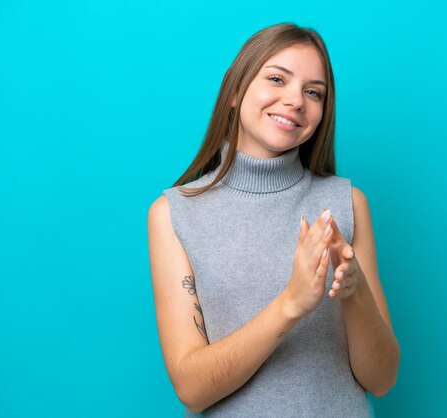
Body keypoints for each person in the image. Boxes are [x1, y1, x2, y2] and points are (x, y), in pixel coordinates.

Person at [147, 22, 400, 417]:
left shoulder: (346, 203)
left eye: (313, 92)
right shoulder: (174, 214)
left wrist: (355, 292)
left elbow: (382, 380)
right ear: (234, 91)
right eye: (277, 79)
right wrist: (292, 303)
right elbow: (192, 389)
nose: (295, 100)